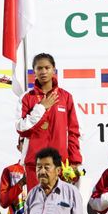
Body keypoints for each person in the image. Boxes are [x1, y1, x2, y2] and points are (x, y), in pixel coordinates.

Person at [15, 53, 82, 190]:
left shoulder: (65, 97)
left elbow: (73, 132)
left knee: (61, 207)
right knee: (36, 206)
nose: (43, 72)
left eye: (47, 67)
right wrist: (41, 107)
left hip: (60, 164)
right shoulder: (27, 98)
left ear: (54, 69)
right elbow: (22, 129)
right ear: (34, 71)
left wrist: (74, 161)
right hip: (35, 164)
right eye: (39, 68)